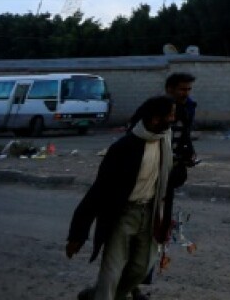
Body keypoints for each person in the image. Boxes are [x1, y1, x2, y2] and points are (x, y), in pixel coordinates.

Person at [67, 96, 178, 300]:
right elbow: (98, 190)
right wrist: (78, 233)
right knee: (112, 271)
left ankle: (96, 296)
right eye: (170, 115)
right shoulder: (124, 148)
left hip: (151, 213)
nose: (174, 118)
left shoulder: (166, 141)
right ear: (155, 119)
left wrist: (181, 171)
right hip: (123, 214)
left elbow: (170, 179)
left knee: (141, 268)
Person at [128, 72, 198, 298]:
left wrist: (186, 157)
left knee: (157, 232)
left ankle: (136, 283)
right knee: (137, 232)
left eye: (188, 89)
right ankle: (128, 286)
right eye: (181, 89)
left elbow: (184, 137)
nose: (186, 94)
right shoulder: (153, 109)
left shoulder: (188, 109)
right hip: (146, 179)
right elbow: (135, 138)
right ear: (169, 89)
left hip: (167, 180)